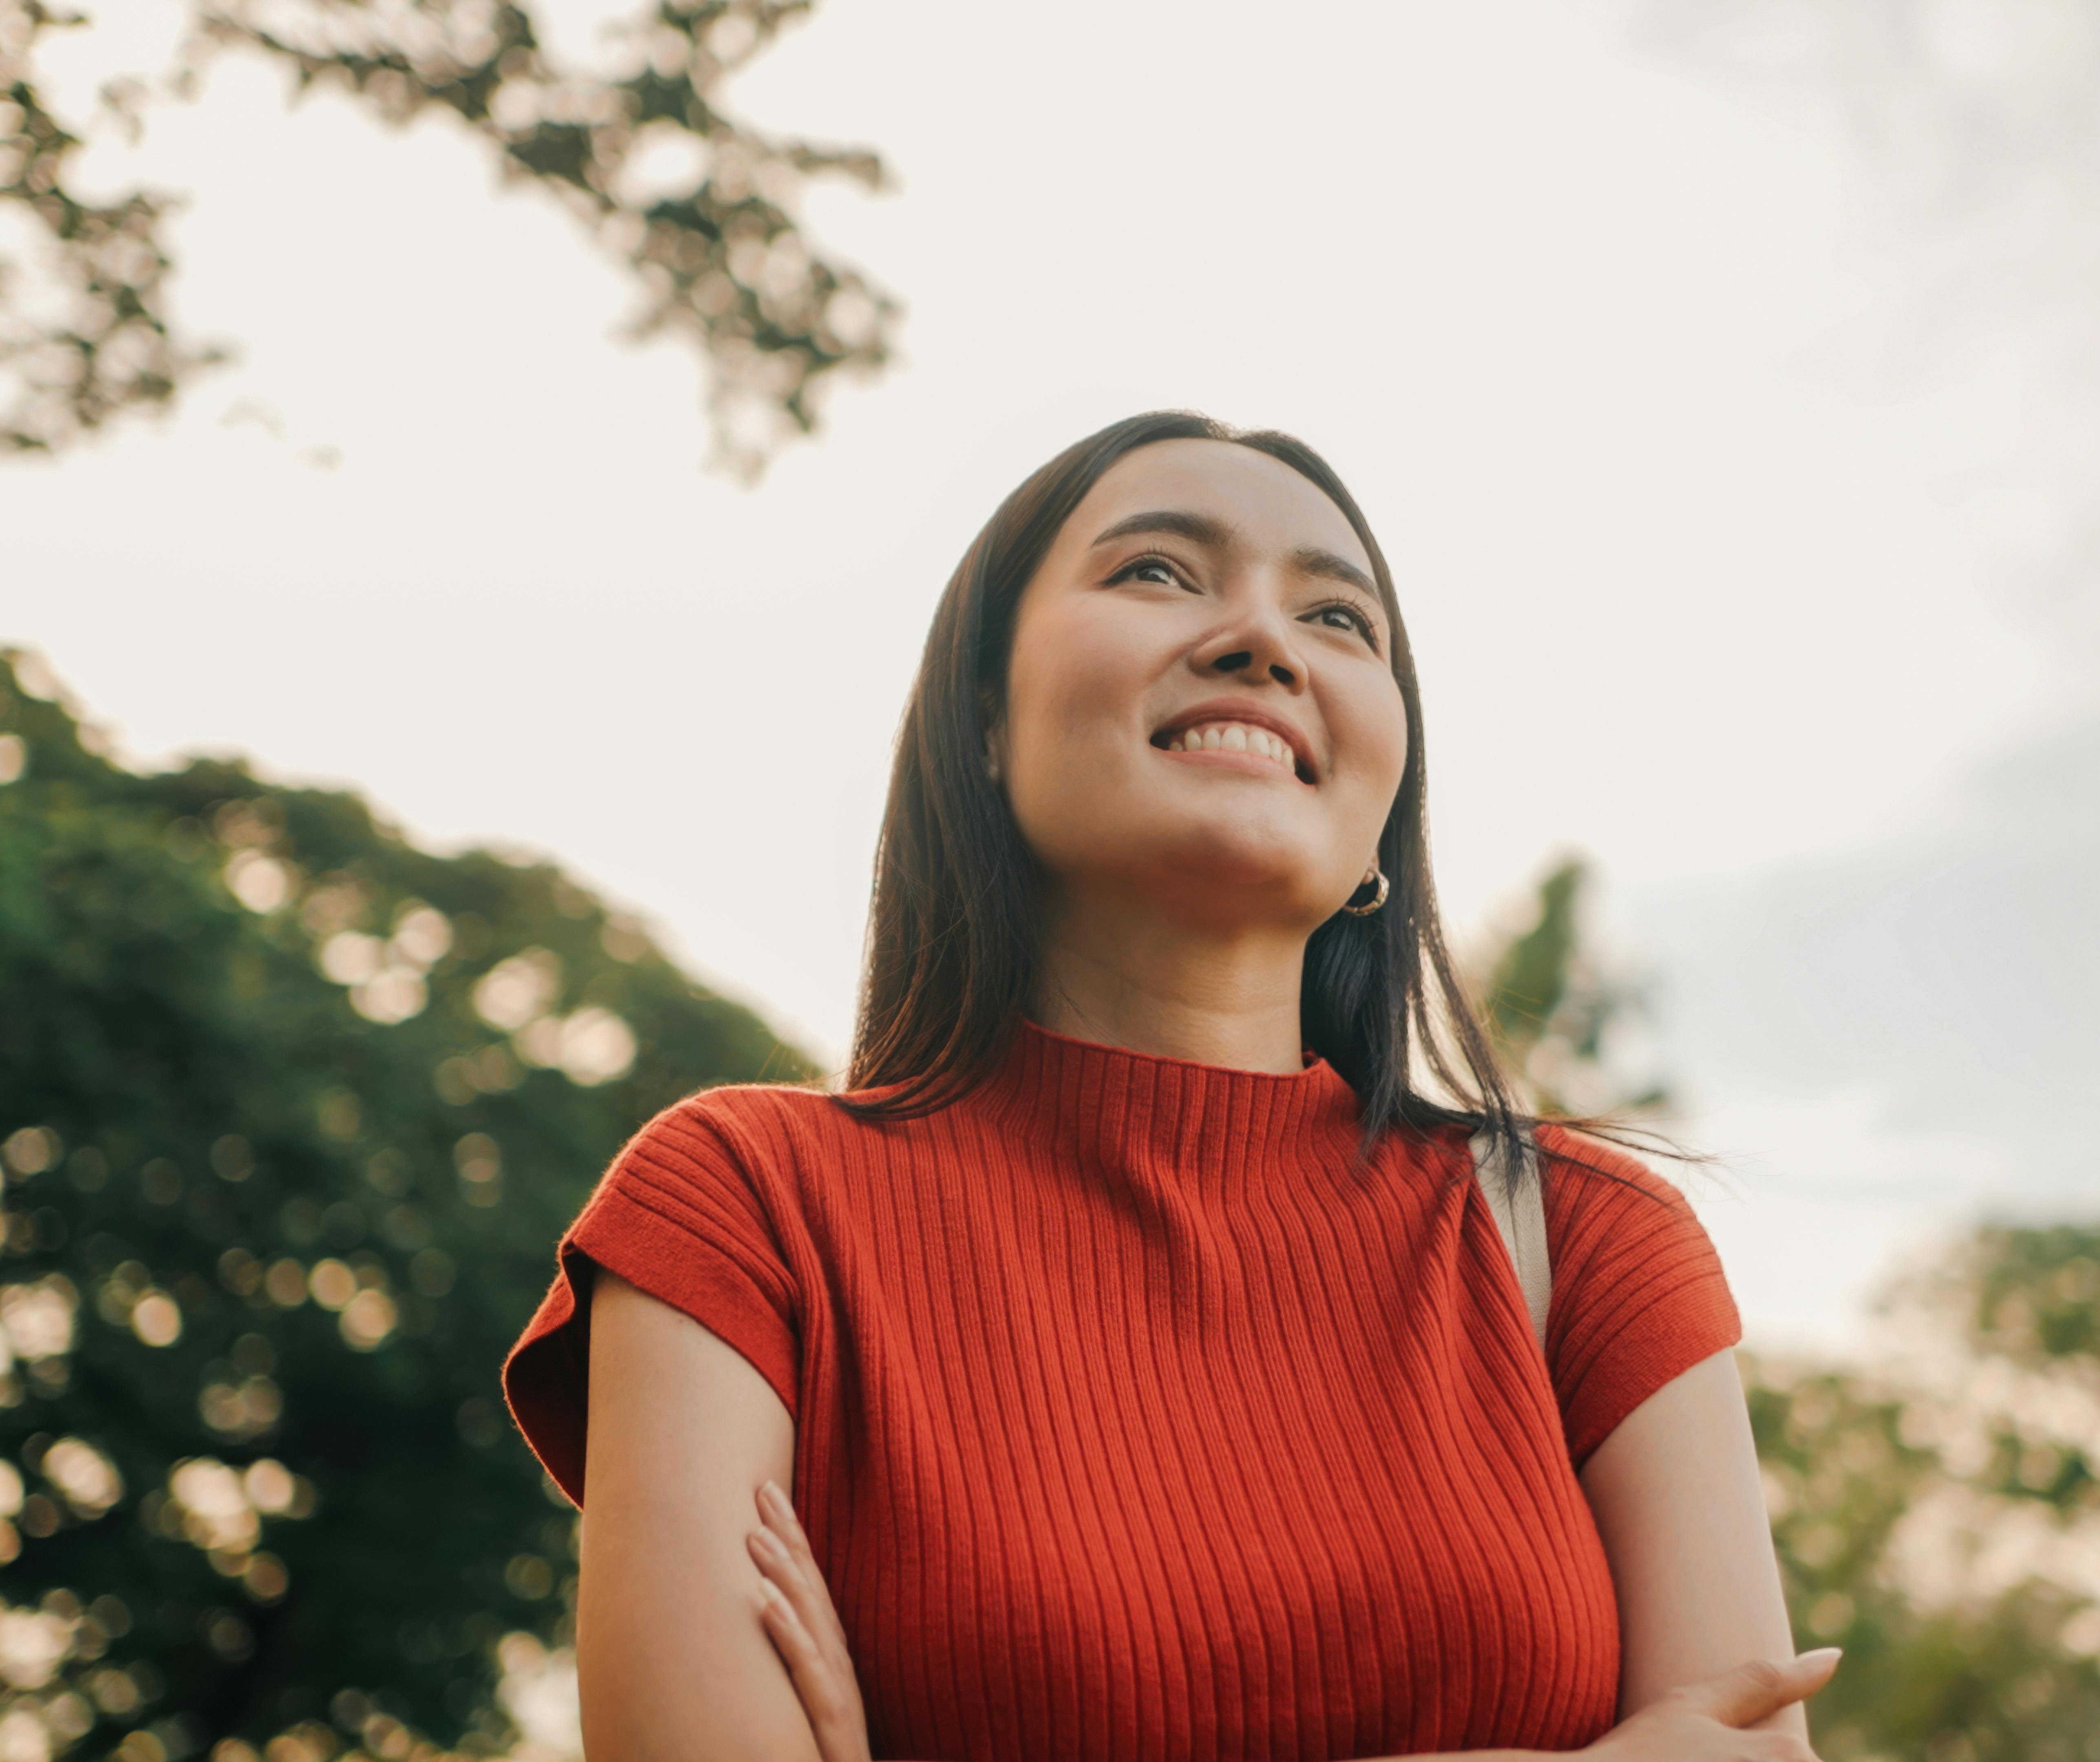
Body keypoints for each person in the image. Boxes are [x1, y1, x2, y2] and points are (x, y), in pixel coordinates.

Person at [501, 412, 1841, 1761]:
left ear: (1385, 799)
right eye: (1157, 572)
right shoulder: (743, 1208)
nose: (1264, 641)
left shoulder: (1595, 1239)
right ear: (983, 720)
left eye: (1338, 617)